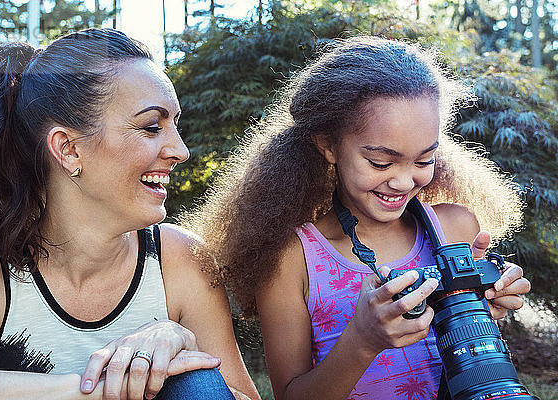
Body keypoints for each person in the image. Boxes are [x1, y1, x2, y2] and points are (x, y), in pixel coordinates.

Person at [184, 36, 532, 399]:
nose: (402, 181)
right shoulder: (292, 258)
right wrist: (363, 341)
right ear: (328, 146)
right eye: (380, 162)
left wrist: (486, 303)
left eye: (424, 160)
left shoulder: (455, 229)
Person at [0, 28, 260, 400]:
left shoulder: (180, 258)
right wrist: (86, 390)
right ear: (68, 149)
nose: (181, 151)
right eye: (151, 126)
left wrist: (179, 342)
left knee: (196, 382)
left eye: (175, 125)